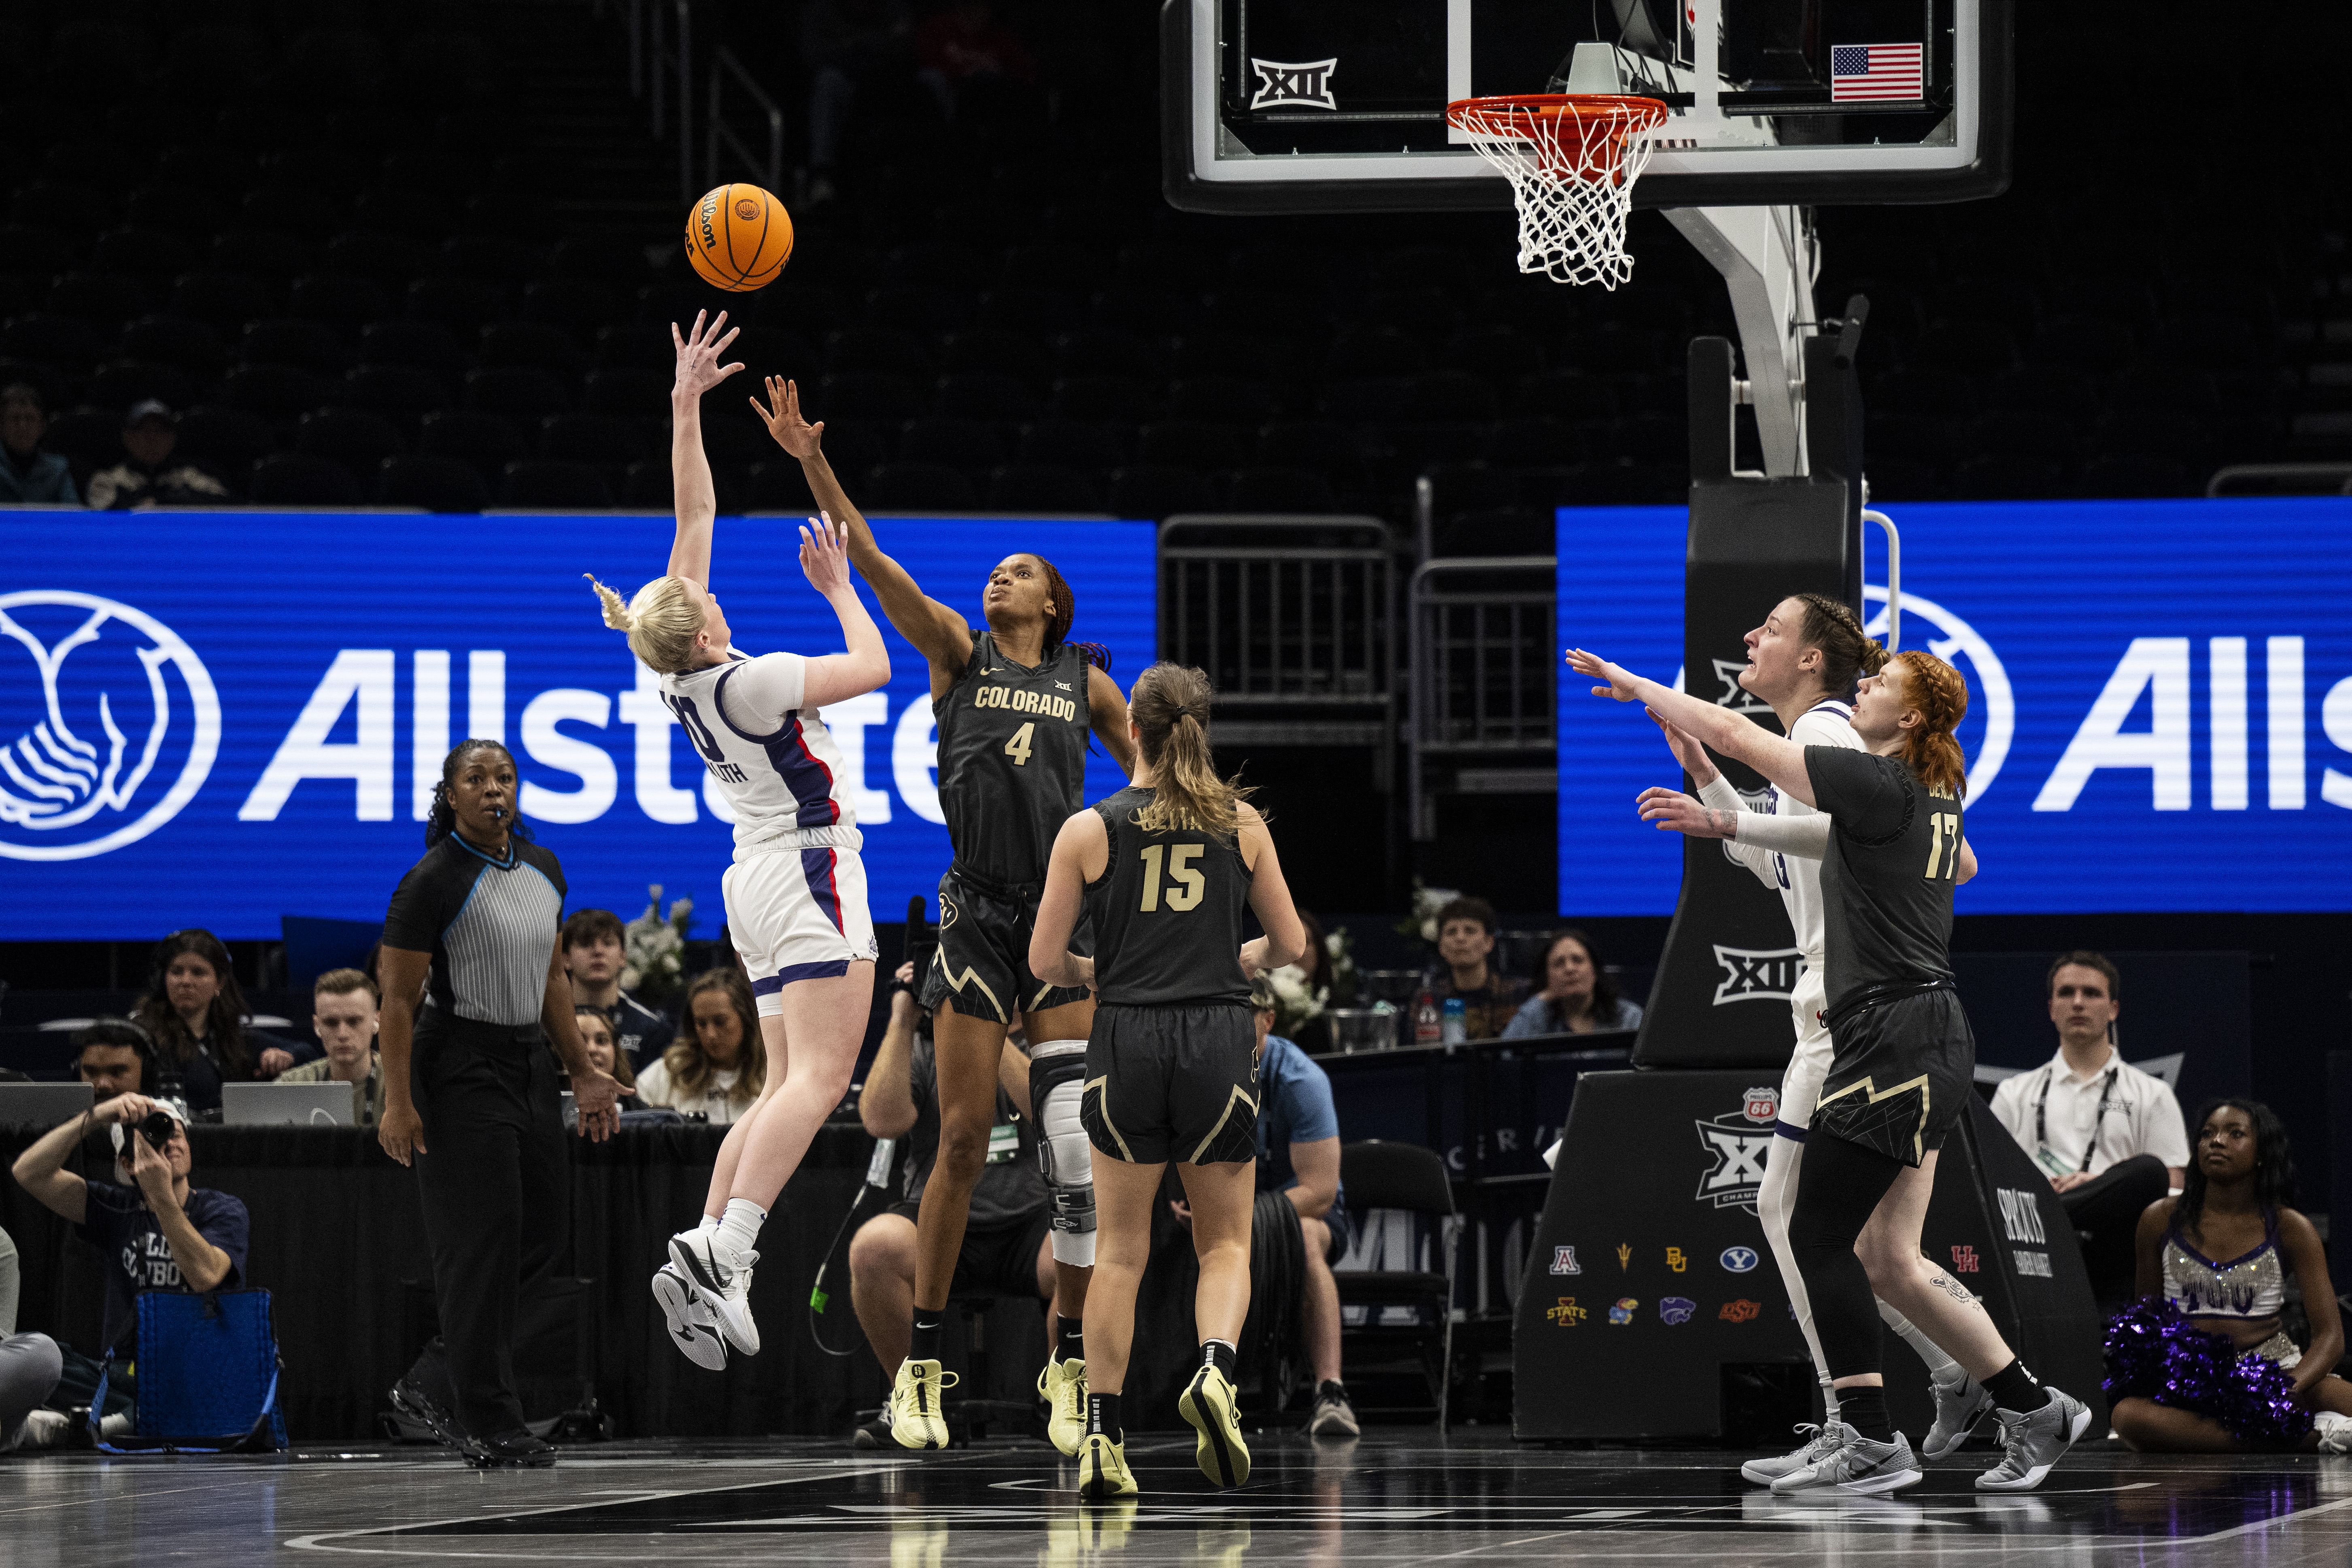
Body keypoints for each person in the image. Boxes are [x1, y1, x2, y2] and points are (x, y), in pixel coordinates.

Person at [1568, 639, 2089, 1494]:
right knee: (1887, 1255)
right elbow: (1949, 860)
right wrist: (1725, 817)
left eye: (1877, 684)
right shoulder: (1924, 791)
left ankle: (1873, 1433)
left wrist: (1636, 686)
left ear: (1907, 717)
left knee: (1814, 1232)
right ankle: (2028, 1404)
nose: (1861, 691)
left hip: (1888, 1034)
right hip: (1918, 1029)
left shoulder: (1872, 777)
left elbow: (1743, 742)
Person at [752, 373, 1136, 1450]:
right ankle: (920, 1366)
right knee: (961, 1138)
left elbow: (1150, 774)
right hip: (975, 914)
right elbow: (870, 556)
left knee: (1071, 1150)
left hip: (1061, 920)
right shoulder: (955, 655)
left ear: (1052, 604)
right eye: (996, 568)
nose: (998, 575)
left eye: (1019, 571)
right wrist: (808, 458)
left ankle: (1067, 1371)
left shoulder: (1085, 684)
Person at [585, 312, 890, 1383]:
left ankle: (718, 1250)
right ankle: (726, 1247)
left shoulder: (664, 666)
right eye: (705, 595)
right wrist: (840, 588)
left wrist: (684, 405)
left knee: (772, 1087)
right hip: (809, 863)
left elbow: (694, 510)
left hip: (752, 876)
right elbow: (874, 668)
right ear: (706, 623)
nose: (708, 583)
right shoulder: (743, 678)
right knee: (819, 1079)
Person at [1626, 593, 1984, 1483]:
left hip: (1856, 1020)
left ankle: (1864, 1417)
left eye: (1770, 629)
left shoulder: (1829, 729)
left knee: (1804, 1226)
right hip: (1868, 1017)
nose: (1749, 637)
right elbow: (1783, 856)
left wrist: (1647, 692)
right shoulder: (1833, 744)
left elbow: (1840, 828)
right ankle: (1970, 1384)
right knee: (1865, 1247)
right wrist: (1711, 791)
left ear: (1816, 665)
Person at [1030, 661, 1307, 1499]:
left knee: (1119, 1250)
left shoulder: (1089, 827)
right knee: (1223, 1242)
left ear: (1135, 732)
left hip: (1124, 1038)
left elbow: (1045, 962)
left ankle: (1103, 1441)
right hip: (1219, 1037)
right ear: (1202, 729)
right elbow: (1291, 944)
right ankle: (1215, 1371)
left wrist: (1101, 968)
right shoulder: (1242, 822)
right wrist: (1236, 956)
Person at [375, 738, 629, 1468]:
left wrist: (580, 1068)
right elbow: (396, 1001)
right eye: (477, 779)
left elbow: (552, 976)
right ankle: (489, 1417)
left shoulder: (544, 866)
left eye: (505, 777)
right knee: (480, 1243)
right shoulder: (430, 880)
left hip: (525, 1062)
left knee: (543, 1231)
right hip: (456, 1063)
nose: (495, 790)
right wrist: (398, 1100)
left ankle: (435, 1376)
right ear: (449, 795)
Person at [850, 962, 1065, 1448]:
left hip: (1029, 1222)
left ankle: (1065, 1401)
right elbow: (882, 1120)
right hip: (941, 1221)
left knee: (1087, 1256)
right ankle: (910, 1398)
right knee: (873, 1249)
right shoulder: (930, 1043)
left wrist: (989, 1031)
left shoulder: (1047, 1035)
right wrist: (903, 1019)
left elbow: (1049, 1110)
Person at [2107, 1099, 2352, 1454]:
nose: (2216, 1141)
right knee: (2128, 1418)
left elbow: (2330, 1337)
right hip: (2191, 1377)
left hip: (2273, 1368)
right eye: (2207, 1134)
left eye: (2234, 1134)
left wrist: (2283, 1389)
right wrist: (2167, 1375)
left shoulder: (2290, 1227)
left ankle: (2260, 1427)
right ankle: (2307, 1437)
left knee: (2337, 1394)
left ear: (2261, 1153)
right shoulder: (2159, 1220)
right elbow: (2147, 1319)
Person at [9, 1094, 250, 1432]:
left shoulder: (223, 1210)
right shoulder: (118, 1208)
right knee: (40, 1356)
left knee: (189, 1398)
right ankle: (112, 1421)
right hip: (126, 1372)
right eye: (155, 1137)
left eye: (177, 1133)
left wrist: (163, 1197)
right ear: (128, 1164)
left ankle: (85, 1426)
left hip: (198, 1370)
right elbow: (28, 1173)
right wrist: (95, 1117)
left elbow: (206, 1276)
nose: (170, 1143)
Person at [1990, 951, 2188, 1303]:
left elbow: (2171, 1186)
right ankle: (2052, 1209)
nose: (2078, 1003)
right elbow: (1991, 1181)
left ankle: (2055, 1208)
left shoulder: (2151, 1093)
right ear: (2051, 1008)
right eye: (2066, 993)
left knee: (2148, 1171)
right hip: (2035, 1250)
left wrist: (2099, 1187)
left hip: (2116, 1245)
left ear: (2113, 1009)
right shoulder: (2014, 1092)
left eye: (2091, 993)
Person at [1242, 972, 1357, 1438]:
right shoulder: (1199, 1072)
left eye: (1242, 1017)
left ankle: (1331, 1391)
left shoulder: (1301, 1078)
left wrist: (1242, 1217)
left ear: (1268, 1019)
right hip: (1229, 1207)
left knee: (1306, 1239)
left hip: (1303, 1211)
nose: (1228, 1029)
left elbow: (1320, 1190)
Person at [132, 930, 314, 1111]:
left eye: (198, 973)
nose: (186, 981)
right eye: (177, 972)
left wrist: (287, 1057)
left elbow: (308, 1053)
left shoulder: (233, 1037)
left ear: (219, 983)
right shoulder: (142, 1038)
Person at [634, 969, 765, 1125]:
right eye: (701, 1024)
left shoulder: (773, 1071)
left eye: (720, 1022)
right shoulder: (668, 1073)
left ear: (746, 1019)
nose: (710, 1034)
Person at [560, 909, 677, 1071]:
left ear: (623, 957)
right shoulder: (547, 1023)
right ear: (566, 959)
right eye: (586, 944)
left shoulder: (651, 1029)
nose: (598, 952)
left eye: (608, 943)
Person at [277, 968, 386, 1126]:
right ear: (317, 1026)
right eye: (331, 1023)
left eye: (354, 1021)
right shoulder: (291, 1087)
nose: (343, 1034)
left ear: (377, 1022)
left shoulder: (402, 1085)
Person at [81, 401, 230, 510]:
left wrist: (159, 502)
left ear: (172, 438)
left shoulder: (192, 477)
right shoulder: (108, 480)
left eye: (160, 431)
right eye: (144, 431)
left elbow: (225, 505)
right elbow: (103, 518)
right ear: (128, 438)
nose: (152, 439)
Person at [1416, 897, 1528, 1041]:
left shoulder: (1520, 993)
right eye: (1451, 932)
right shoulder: (1428, 999)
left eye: (1470, 931)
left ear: (1489, 942)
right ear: (1441, 947)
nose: (1460, 938)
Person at [1502, 928, 1643, 1037]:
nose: (1569, 969)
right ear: (1547, 977)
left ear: (1594, 972)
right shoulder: (1538, 1019)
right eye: (1559, 964)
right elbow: (1504, 1058)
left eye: (1578, 960)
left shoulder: (1628, 1017)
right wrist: (1543, 998)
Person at [0, 383, 79, 505]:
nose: (23, 427)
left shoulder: (58, 470)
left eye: (30, 419)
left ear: (42, 427)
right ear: (2, 427)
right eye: (15, 419)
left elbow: (71, 514)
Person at [74, 1020, 155, 1103]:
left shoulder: (164, 1113)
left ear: (145, 1072)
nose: (103, 1085)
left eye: (116, 1072)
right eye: (92, 1073)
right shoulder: (65, 1113)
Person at [574, 1005, 640, 1095]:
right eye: (580, 1041)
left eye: (601, 1041)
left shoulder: (637, 1107)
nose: (592, 1049)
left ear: (616, 1050)